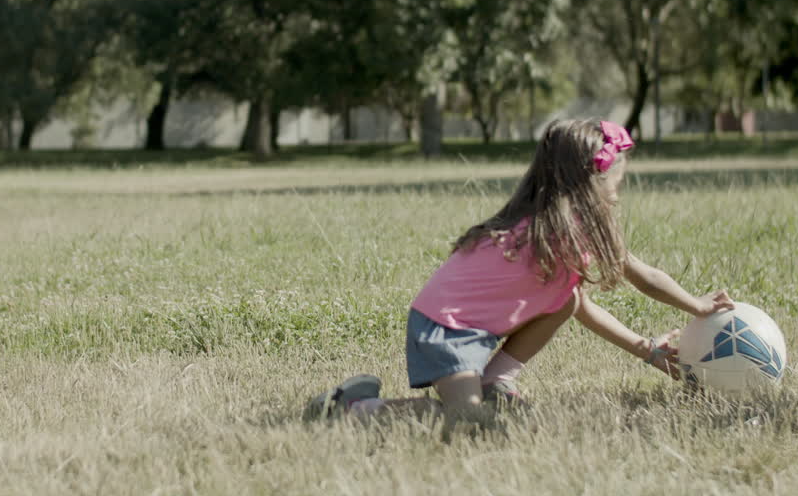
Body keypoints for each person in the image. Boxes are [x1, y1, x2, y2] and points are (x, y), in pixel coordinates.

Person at [305, 119, 734, 423]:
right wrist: (696, 306)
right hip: (445, 330)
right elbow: (643, 276)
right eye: (615, 185)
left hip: (470, 329)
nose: (617, 197)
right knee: (468, 421)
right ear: (590, 180)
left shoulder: (552, 225)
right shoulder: (564, 230)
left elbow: (578, 306)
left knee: (567, 299)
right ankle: (351, 406)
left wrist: (647, 349)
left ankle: (496, 381)